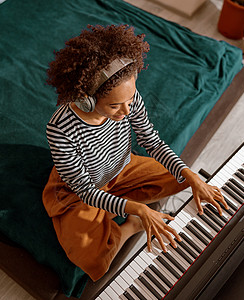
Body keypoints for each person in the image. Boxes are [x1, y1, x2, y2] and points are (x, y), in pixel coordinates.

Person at [42, 24, 227, 282]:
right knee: (92, 258)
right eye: (115, 105)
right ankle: (128, 227)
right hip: (80, 192)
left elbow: (152, 141)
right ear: (86, 98)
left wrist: (190, 176)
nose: (127, 112)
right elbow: (85, 190)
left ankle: (120, 207)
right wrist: (138, 211)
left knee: (182, 176)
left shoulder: (129, 98)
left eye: (129, 101)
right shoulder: (60, 128)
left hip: (123, 168)